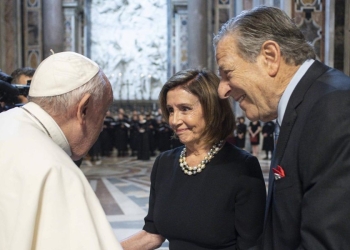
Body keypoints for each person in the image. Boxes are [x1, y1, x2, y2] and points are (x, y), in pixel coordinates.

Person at [214, 5, 350, 250]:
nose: (221, 90)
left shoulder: (334, 107)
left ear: (269, 57)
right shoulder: (300, 106)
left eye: (227, 73)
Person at [121, 69, 266, 250]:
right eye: (170, 110)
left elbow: (252, 246)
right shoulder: (164, 163)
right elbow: (152, 234)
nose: (174, 120)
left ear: (213, 108)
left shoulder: (242, 166)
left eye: (185, 109)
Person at [0, 51, 122, 250]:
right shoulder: (56, 171)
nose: (102, 125)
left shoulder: (5, 122)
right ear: (83, 109)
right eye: (103, 113)